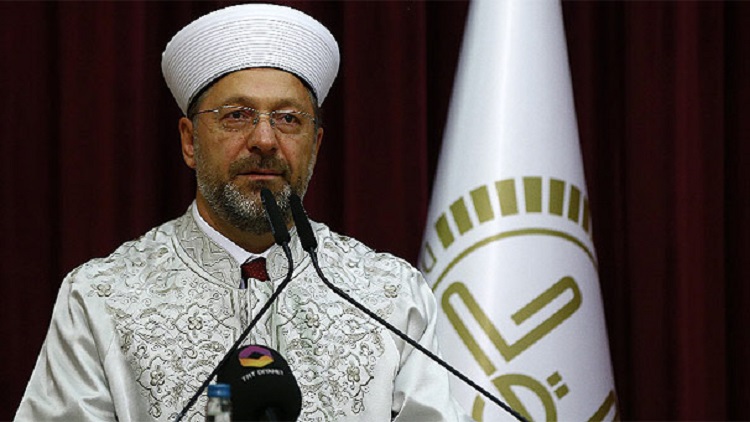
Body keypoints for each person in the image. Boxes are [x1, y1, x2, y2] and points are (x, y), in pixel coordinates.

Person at [15, 4, 471, 421]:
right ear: (189, 140)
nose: (265, 140)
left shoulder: (390, 294)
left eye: (288, 119)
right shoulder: (102, 297)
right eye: (237, 115)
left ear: (315, 145)